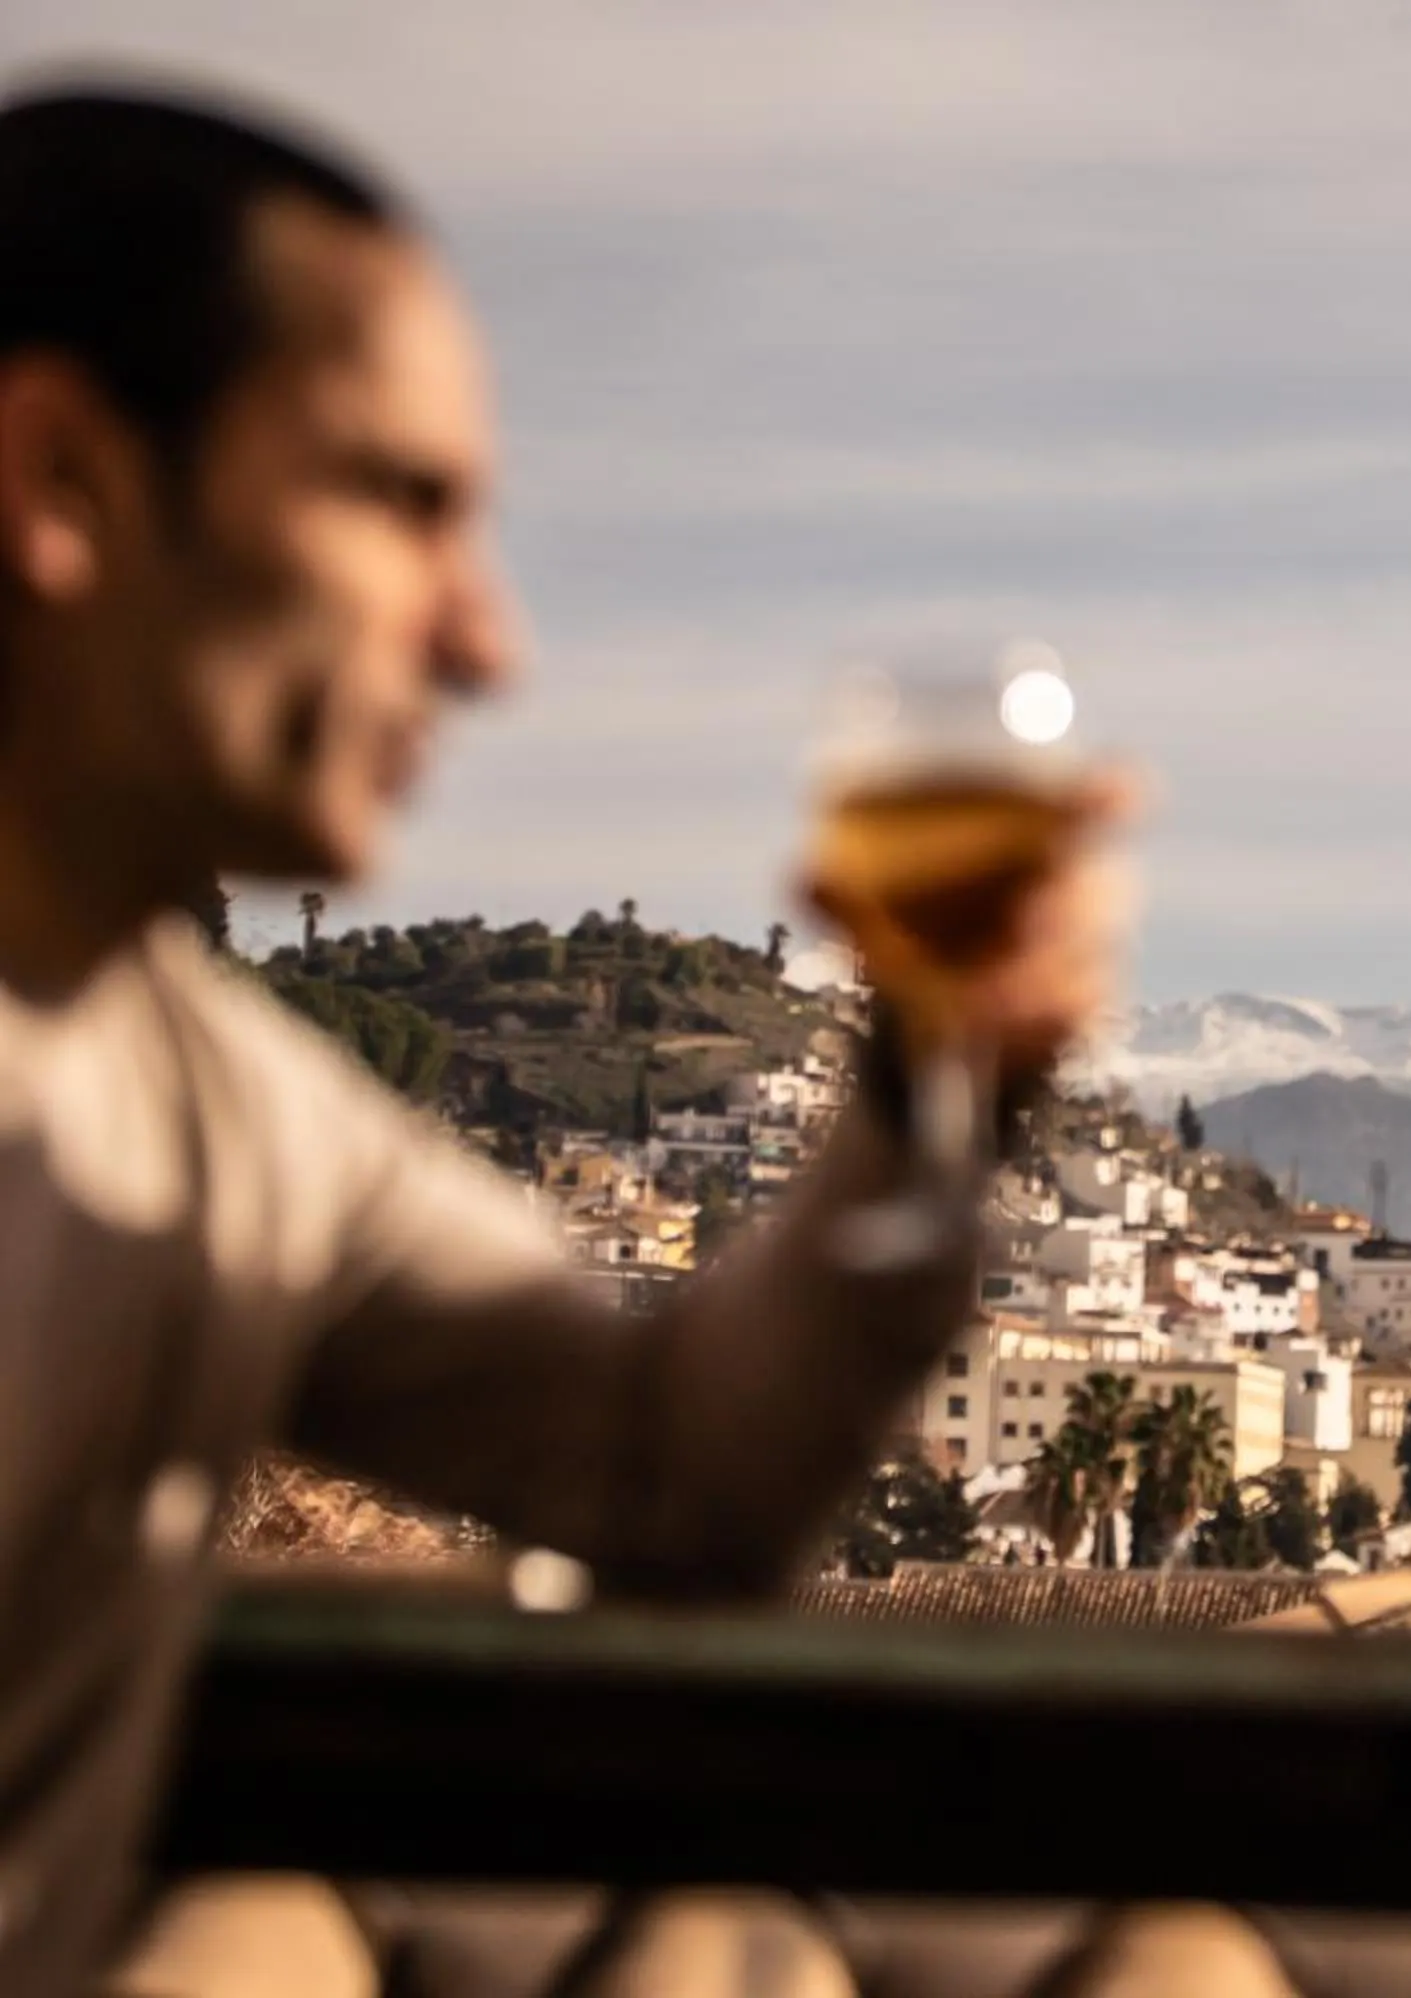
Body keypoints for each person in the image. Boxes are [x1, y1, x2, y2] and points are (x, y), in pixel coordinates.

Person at [0, 84, 1125, 1998]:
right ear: (65, 483)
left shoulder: (224, 1118)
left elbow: (662, 1472)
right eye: (397, 501)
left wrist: (929, 1089)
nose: (484, 641)